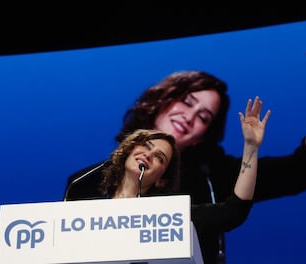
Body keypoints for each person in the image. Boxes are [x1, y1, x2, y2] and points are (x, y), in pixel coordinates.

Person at [63, 22, 306, 263]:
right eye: (186, 101)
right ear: (160, 102)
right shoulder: (85, 182)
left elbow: (302, 169)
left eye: (203, 116)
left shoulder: (213, 176)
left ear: (204, 134)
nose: (189, 116)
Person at [79, 98, 269, 264]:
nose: (149, 154)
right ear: (127, 153)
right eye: (146, 146)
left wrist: (251, 148)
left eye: (159, 157)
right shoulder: (81, 212)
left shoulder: (171, 218)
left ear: (161, 180)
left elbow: (234, 211)